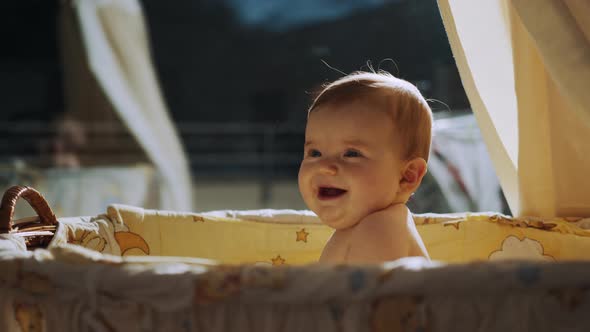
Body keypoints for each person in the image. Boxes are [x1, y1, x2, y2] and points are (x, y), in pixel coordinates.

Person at [298, 71, 431, 263]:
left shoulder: (379, 228)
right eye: (315, 153)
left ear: (407, 176)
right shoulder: (363, 227)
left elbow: (367, 293)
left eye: (351, 154)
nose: (325, 167)